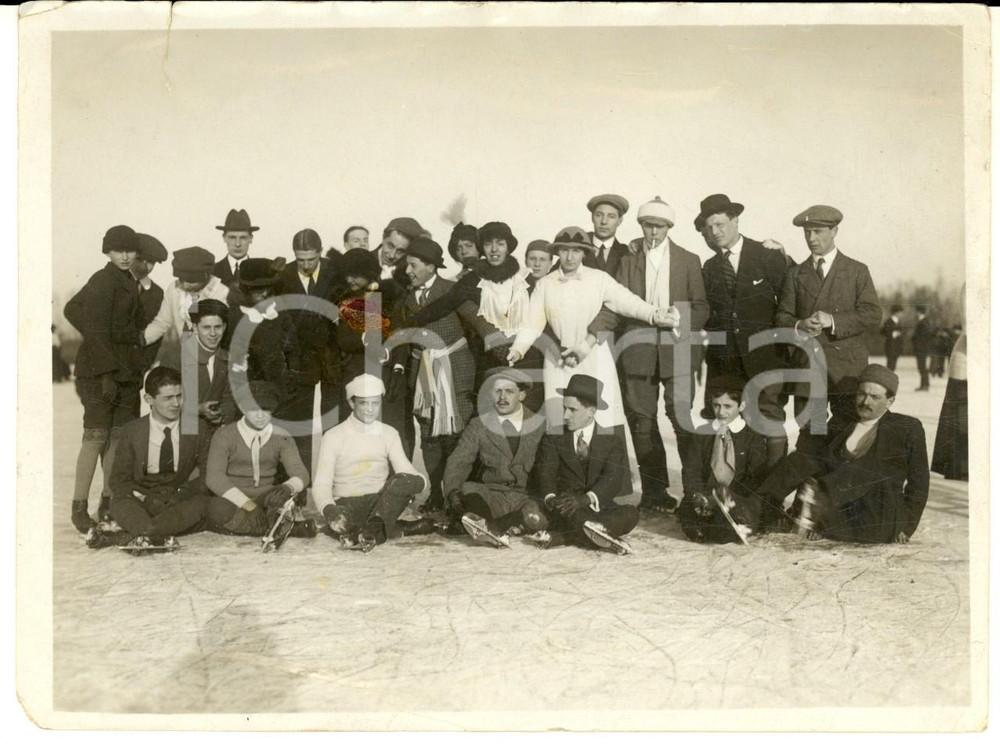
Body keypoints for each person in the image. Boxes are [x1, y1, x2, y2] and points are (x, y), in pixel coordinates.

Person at [583, 197, 711, 513]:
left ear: (669, 227)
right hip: (637, 351)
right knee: (642, 422)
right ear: (640, 226)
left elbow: (702, 307)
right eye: (647, 225)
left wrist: (677, 317)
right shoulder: (628, 260)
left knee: (681, 419)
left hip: (679, 351)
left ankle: (694, 492)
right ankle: (655, 492)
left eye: (659, 225)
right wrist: (587, 336)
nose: (653, 231)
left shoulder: (689, 259)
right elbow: (616, 305)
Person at [507, 224, 679, 432]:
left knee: (602, 419)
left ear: (584, 253)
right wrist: (518, 349)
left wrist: (655, 314)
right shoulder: (545, 284)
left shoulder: (599, 279)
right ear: (557, 252)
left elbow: (628, 302)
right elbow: (533, 323)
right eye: (564, 250)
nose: (570, 257)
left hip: (594, 355)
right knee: (560, 419)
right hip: (557, 360)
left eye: (576, 250)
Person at [754, 365, 929, 545]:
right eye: (862, 394)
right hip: (841, 514)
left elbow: (920, 481)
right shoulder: (844, 423)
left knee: (872, 465)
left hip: (876, 516)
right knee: (801, 459)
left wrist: (906, 526)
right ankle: (755, 508)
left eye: (875, 397)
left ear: (890, 401)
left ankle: (818, 506)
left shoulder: (906, 427)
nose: (865, 402)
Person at [696, 193, 791, 466]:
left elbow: (789, 296)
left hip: (766, 358)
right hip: (726, 362)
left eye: (720, 224)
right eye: (710, 227)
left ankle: (771, 495)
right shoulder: (711, 267)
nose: (715, 232)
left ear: (735, 220)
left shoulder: (767, 255)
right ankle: (733, 491)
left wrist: (786, 255)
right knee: (730, 425)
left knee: (770, 420)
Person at [63, 225, 146, 533]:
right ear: (107, 252)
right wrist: (107, 375)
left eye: (130, 250)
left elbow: (73, 309)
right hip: (100, 374)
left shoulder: (128, 280)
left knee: (117, 440)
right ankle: (79, 508)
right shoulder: (103, 279)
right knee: (96, 437)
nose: (125, 256)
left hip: (123, 373)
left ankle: (109, 502)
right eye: (118, 250)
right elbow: (96, 329)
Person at [775, 205, 882, 433]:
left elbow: (872, 313)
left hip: (847, 371)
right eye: (807, 233)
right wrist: (798, 324)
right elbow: (781, 316)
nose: (811, 238)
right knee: (811, 436)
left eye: (818, 231)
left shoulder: (857, 271)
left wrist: (832, 320)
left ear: (834, 231)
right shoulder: (794, 274)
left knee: (847, 435)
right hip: (808, 367)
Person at [390, 236, 478, 510]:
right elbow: (394, 332)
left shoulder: (452, 291)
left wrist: (507, 350)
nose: (408, 271)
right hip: (422, 374)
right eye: (406, 266)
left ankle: (456, 495)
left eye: (413, 265)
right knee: (428, 434)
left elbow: (480, 321)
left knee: (455, 433)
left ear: (430, 267)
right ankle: (436, 496)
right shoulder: (404, 297)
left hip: (455, 370)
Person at [86, 367, 210, 552]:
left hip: (177, 499)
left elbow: (207, 473)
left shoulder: (197, 428)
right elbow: (119, 481)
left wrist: (180, 495)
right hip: (140, 499)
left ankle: (127, 535)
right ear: (149, 400)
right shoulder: (132, 431)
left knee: (203, 504)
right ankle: (152, 531)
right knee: (120, 502)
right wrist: (144, 498)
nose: (176, 404)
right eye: (168, 398)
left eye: (179, 396)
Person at [312, 374, 433, 553]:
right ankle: (391, 529)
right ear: (352, 403)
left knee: (398, 484)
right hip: (348, 504)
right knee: (346, 519)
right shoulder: (333, 436)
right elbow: (321, 483)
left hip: (383, 500)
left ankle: (367, 531)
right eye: (363, 403)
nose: (370, 409)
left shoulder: (388, 433)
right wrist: (329, 510)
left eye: (375, 403)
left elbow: (406, 470)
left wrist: (420, 481)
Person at [403, 221, 531, 387]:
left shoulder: (523, 277)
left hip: (523, 349)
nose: (494, 249)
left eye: (500, 244)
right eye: (458, 248)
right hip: (483, 352)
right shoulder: (466, 281)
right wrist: (407, 323)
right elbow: (445, 305)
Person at [530, 375, 640, 555]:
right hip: (565, 506)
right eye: (564, 408)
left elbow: (612, 480)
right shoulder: (553, 437)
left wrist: (586, 499)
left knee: (630, 513)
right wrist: (551, 498)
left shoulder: (611, 440)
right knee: (574, 514)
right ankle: (602, 536)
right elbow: (545, 472)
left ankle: (565, 537)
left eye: (572, 410)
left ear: (591, 411)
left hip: (596, 506)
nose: (565, 415)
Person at [442, 368, 549, 547]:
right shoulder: (479, 424)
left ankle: (492, 526)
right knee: (469, 490)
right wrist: (452, 492)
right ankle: (506, 524)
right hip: (492, 495)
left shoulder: (540, 424)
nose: (502, 397)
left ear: (522, 395)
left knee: (536, 513)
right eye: (497, 391)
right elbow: (459, 460)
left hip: (527, 496)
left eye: (509, 391)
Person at [204, 381, 315, 539]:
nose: (261, 415)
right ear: (242, 408)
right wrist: (248, 505)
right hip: (234, 499)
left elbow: (301, 472)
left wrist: (288, 487)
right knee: (216, 508)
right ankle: (283, 528)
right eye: (254, 409)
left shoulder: (281, 435)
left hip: (265, 498)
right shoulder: (225, 435)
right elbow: (214, 478)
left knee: (282, 497)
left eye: (266, 409)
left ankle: (253, 525)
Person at [274, 228, 344, 475]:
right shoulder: (281, 277)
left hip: (333, 359)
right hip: (299, 360)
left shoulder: (336, 273)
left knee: (333, 422)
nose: (305, 265)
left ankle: (333, 481)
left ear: (321, 252)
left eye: (311, 259)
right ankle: (300, 484)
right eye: (300, 259)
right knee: (299, 425)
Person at [677, 377, 769, 544]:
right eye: (716, 405)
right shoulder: (701, 433)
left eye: (728, 406)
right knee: (689, 515)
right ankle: (707, 527)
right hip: (706, 497)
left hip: (735, 501)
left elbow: (755, 477)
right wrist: (697, 495)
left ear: (741, 406)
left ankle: (728, 525)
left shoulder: (752, 436)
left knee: (729, 525)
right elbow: (691, 470)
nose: (721, 412)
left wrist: (733, 499)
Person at [143, 246, 230, 368]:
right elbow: (161, 323)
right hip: (185, 353)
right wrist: (140, 340)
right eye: (181, 279)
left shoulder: (222, 293)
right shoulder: (174, 289)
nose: (185, 285)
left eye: (190, 281)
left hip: (214, 357)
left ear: (205, 277)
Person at [226, 257, 292, 406]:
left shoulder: (279, 313)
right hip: (246, 387)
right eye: (258, 289)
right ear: (245, 290)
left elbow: (292, 348)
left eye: (269, 288)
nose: (264, 294)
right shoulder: (234, 316)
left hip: (278, 388)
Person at [186, 298, 237, 440]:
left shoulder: (228, 358)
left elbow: (229, 398)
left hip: (216, 433)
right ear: (195, 327)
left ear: (225, 327)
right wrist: (198, 409)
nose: (213, 334)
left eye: (218, 327)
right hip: (183, 433)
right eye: (206, 327)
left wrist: (222, 415)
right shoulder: (177, 355)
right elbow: (163, 401)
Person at [932, 286, 968, 480]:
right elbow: (973, 329)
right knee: (964, 420)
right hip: (969, 363)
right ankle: (962, 469)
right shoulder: (973, 282)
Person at [131, 233, 168, 372]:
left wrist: (143, 366)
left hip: (135, 369)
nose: (145, 265)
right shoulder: (110, 281)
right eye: (141, 259)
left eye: (151, 262)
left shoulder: (157, 293)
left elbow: (157, 332)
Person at [370, 216, 426, 285]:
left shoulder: (408, 273)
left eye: (400, 251)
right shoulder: (362, 262)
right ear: (383, 239)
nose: (392, 255)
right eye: (390, 246)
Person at [586, 193, 630, 277]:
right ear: (592, 217)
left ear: (619, 221)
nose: (604, 221)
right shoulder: (578, 247)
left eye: (611, 216)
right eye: (598, 215)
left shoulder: (626, 253)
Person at [213, 209, 258, 287]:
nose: (237, 244)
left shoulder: (260, 271)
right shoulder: (212, 272)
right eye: (232, 237)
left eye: (243, 237)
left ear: (250, 239)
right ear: (224, 238)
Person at [912, 304, 933, 390]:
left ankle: (924, 385)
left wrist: (915, 341)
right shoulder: (925, 321)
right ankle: (924, 385)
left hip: (921, 348)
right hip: (922, 348)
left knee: (922, 367)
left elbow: (923, 337)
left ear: (919, 312)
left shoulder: (923, 322)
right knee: (922, 367)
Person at [881, 304, 905, 372]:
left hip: (897, 348)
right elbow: (882, 332)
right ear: (896, 312)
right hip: (890, 347)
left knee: (893, 366)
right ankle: (888, 381)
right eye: (900, 312)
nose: (901, 314)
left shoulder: (899, 321)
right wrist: (893, 334)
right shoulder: (888, 321)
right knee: (890, 366)